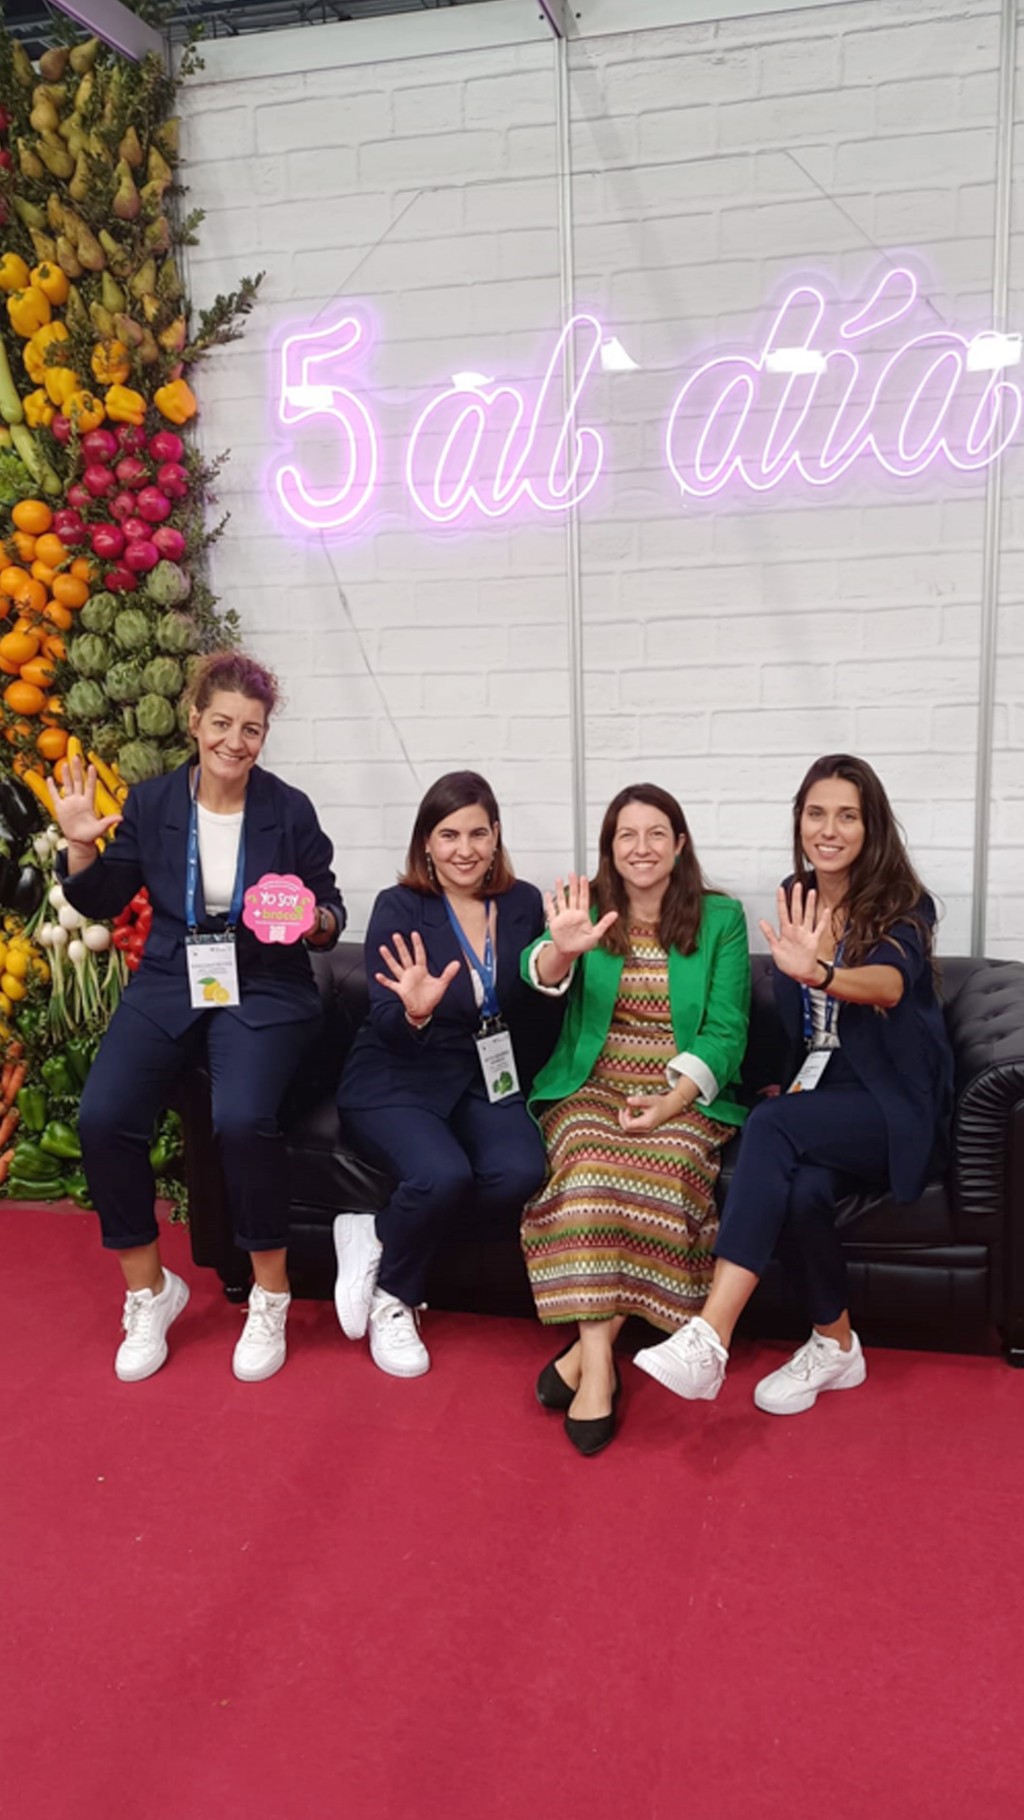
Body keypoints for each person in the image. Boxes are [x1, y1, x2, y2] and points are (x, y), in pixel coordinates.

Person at [48, 651, 345, 1385]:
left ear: (264, 735)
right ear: (194, 720)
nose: (234, 742)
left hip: (267, 982)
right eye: (222, 723)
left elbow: (329, 906)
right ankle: (150, 1291)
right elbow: (102, 897)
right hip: (171, 975)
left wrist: (315, 922)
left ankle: (269, 1295)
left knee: (241, 1119)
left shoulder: (289, 809)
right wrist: (80, 845)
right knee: (102, 1116)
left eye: (251, 729)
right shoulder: (153, 804)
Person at [634, 753, 954, 1416]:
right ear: (799, 821)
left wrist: (823, 973)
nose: (828, 830)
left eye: (847, 816)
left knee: (771, 1128)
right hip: (827, 1094)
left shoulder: (903, 903)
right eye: (816, 814)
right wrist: (783, 1080)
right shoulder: (797, 893)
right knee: (802, 1186)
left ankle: (711, 1334)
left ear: (871, 827)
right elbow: (805, 1030)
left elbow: (891, 985)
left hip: (894, 1103)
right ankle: (836, 1347)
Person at [520, 783, 751, 1456]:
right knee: (591, 1167)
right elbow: (538, 968)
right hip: (591, 1086)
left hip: (684, 1093)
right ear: (610, 848)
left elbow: (727, 1031)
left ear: (679, 845)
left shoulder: (721, 918)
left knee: (667, 1165)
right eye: (627, 835)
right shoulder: (587, 909)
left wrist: (672, 1102)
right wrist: (563, 949)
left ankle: (585, 1357)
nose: (641, 848)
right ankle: (600, 1368)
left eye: (656, 834)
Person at [334, 771, 553, 1379]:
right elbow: (386, 1020)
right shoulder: (400, 905)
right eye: (449, 835)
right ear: (426, 843)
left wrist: (559, 963)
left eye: (477, 833)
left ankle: (376, 1232)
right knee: (442, 1175)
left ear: (496, 835)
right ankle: (394, 1297)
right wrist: (415, 1010)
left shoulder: (523, 903)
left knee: (520, 1171)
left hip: (485, 1074)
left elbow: (535, 1005)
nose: (465, 849)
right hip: (398, 1070)